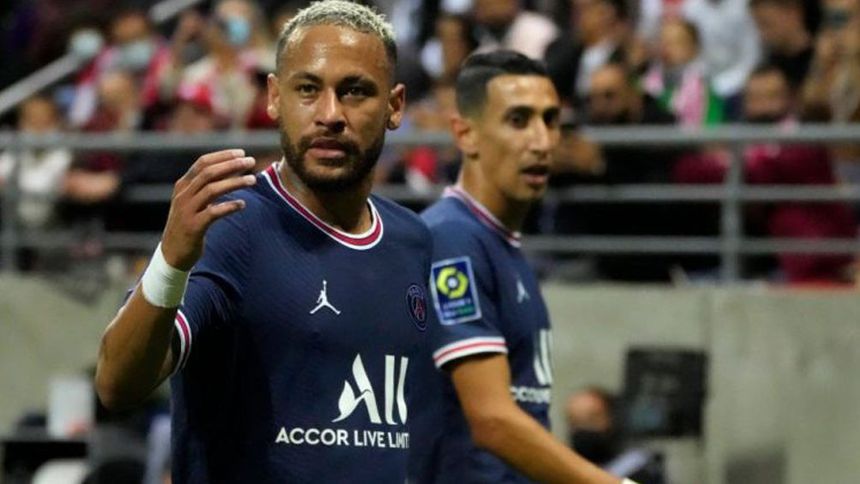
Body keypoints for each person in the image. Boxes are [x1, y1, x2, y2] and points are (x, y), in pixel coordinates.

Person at [95, 2, 434, 482]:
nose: (330, 114)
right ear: (275, 97)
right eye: (308, 89)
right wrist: (171, 262)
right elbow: (117, 384)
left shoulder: (412, 240)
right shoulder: (232, 223)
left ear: (395, 106)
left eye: (355, 91)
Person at [409, 50, 628, 484]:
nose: (543, 141)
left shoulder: (499, 244)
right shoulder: (453, 241)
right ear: (465, 134)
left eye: (551, 120)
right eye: (518, 120)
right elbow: (492, 421)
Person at [566, 388, 666, 484]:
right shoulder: (568, 469)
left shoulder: (641, 468)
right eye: (575, 423)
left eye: (591, 420)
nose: (583, 428)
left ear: (612, 417)